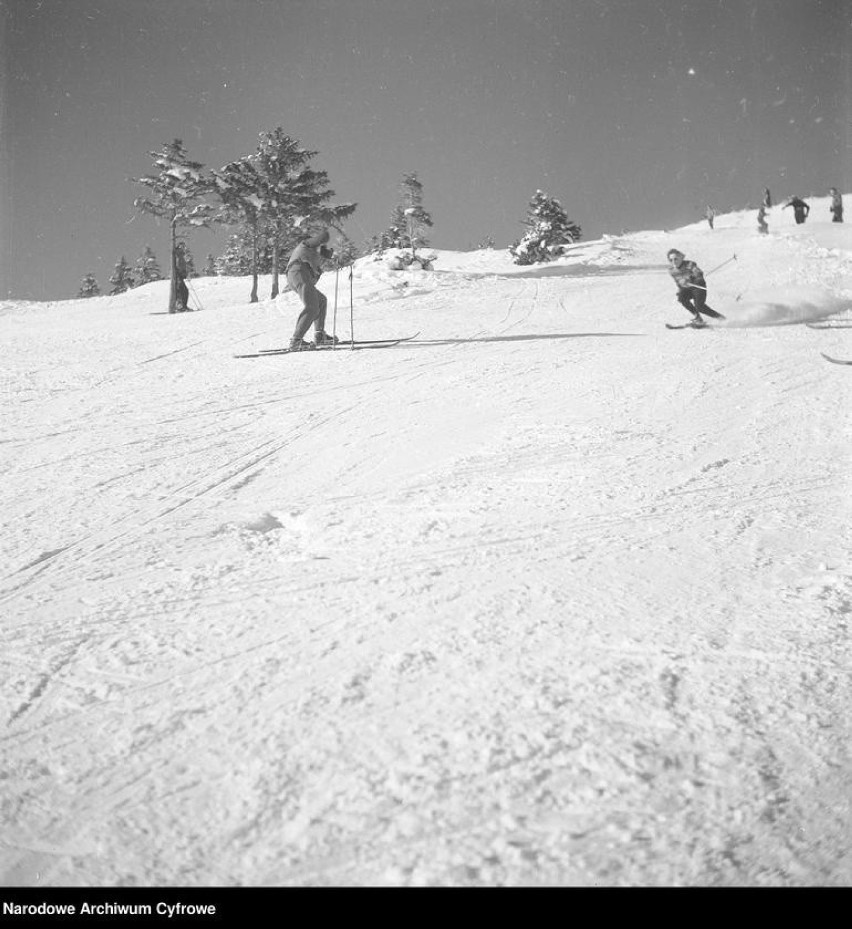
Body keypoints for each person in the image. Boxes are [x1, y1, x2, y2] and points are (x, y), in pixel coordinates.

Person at [285, 229, 338, 351]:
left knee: (321, 300)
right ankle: (296, 341)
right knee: (312, 307)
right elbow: (322, 237)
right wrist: (325, 232)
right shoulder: (306, 244)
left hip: (298, 276)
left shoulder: (312, 255)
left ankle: (319, 335)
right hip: (298, 273)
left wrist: (329, 255)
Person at [666, 249, 725, 327]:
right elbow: (678, 282)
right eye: (671, 260)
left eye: (676, 259)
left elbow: (699, 273)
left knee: (700, 307)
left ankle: (721, 318)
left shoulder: (689, 264)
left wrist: (689, 278)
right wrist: (680, 289)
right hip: (687, 288)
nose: (673, 261)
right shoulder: (672, 270)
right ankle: (697, 317)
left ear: (681, 258)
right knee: (681, 298)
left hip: (698, 286)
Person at [173, 242, 190, 313]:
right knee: (181, 290)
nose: (183, 248)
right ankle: (180, 306)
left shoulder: (181, 255)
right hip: (178, 275)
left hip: (180, 275)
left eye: (184, 246)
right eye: (182, 246)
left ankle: (183, 306)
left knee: (184, 290)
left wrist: (184, 273)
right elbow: (177, 265)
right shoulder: (178, 254)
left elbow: (182, 266)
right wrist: (179, 272)